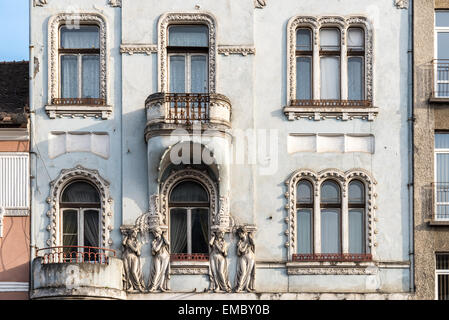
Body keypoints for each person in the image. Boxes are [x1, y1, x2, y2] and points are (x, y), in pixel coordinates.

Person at [122, 228, 145, 292]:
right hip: (127, 256)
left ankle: (138, 286)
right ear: (131, 233)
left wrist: (138, 247)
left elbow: (138, 252)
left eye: (136, 233)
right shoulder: (129, 241)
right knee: (128, 272)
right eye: (134, 233)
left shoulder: (136, 242)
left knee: (134, 271)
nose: (135, 234)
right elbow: (125, 244)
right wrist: (137, 246)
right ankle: (130, 286)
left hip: (134, 257)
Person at [148, 227, 170, 292]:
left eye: (155, 232)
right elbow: (156, 249)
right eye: (154, 233)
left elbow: (168, 243)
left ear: (159, 232)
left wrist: (164, 238)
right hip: (157, 256)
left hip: (165, 256)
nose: (155, 234)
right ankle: (153, 286)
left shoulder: (163, 239)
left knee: (163, 272)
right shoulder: (154, 242)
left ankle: (160, 286)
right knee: (157, 272)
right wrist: (161, 242)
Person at [234, 226, 256, 292]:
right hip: (242, 257)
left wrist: (251, 237)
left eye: (241, 233)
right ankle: (239, 287)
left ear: (245, 233)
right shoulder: (239, 242)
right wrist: (238, 247)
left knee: (248, 272)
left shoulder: (249, 239)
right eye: (239, 234)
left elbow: (253, 244)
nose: (240, 235)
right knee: (243, 272)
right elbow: (238, 254)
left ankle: (246, 287)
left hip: (251, 257)